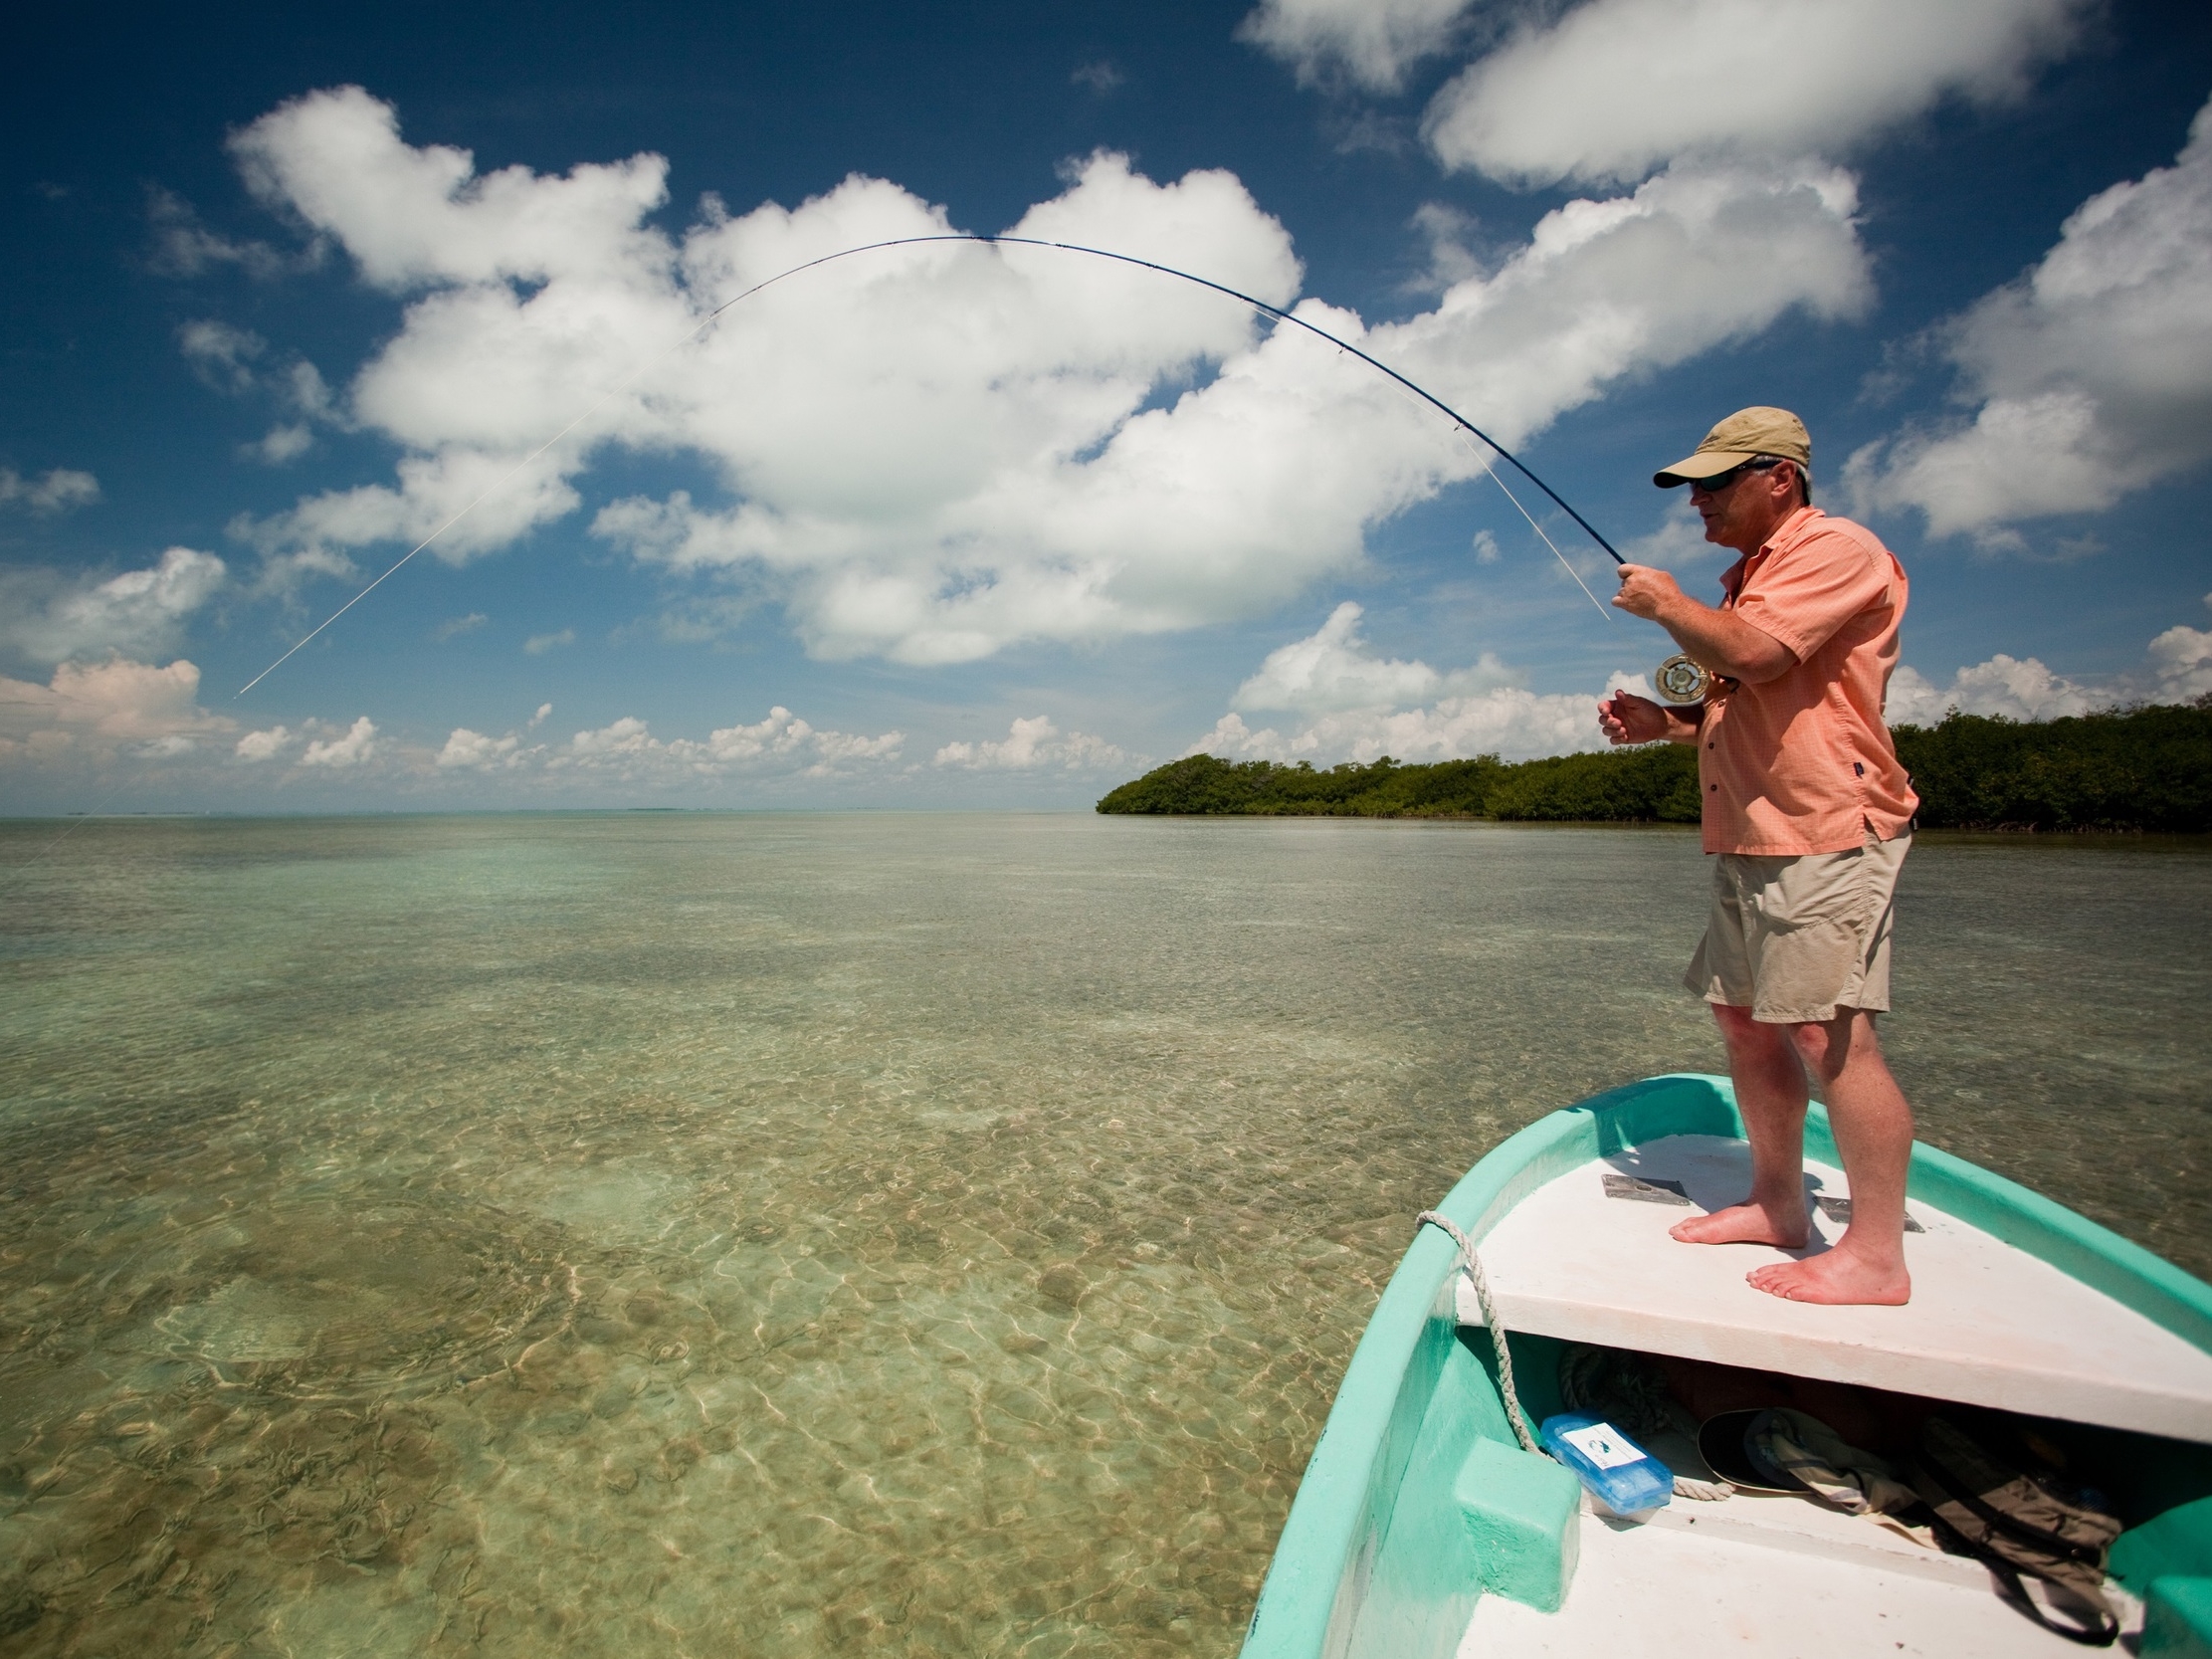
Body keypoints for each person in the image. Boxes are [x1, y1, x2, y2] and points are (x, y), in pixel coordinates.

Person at [1598, 407, 1920, 1306]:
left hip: (1824, 825)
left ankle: (1876, 1255)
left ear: (1779, 474)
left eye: (1715, 480)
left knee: (1829, 1033)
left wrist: (1667, 605)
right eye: (1692, 484)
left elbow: (1761, 657)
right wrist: (1660, 722)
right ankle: (1778, 1202)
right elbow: (1734, 702)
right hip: (1750, 829)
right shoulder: (1747, 580)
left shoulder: (1835, 548)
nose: (1696, 499)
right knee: (1743, 1020)